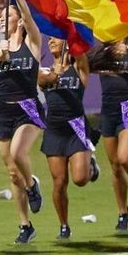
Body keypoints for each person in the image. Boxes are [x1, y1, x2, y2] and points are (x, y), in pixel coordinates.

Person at [0, 0, 46, 244]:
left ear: (18, 21)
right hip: (3, 110)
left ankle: (32, 185)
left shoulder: (32, 43)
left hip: (28, 107)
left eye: (7, 15)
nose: (2, 19)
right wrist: (2, 52)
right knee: (12, 171)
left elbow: (29, 17)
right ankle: (25, 225)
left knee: (18, 152)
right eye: (0, 16)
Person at [39, 37, 100, 240]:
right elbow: (43, 80)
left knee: (80, 179)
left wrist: (71, 33)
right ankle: (64, 226)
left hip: (76, 128)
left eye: (55, 38)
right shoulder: (44, 71)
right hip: (55, 130)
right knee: (59, 182)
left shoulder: (79, 68)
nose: (50, 41)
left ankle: (91, 167)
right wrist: (55, 74)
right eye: (49, 39)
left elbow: (80, 53)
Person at [88, 39, 128, 233]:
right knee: (115, 166)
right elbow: (84, 63)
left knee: (123, 157)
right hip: (108, 110)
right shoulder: (103, 51)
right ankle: (123, 212)